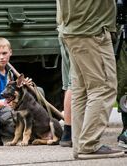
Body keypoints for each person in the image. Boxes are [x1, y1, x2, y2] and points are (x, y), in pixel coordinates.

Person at [59, 0, 125, 159]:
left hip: (73, 29)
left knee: (81, 90)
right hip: (92, 30)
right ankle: (89, 144)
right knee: (103, 87)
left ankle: (81, 145)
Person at [0, 37, 35, 145]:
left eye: (4, 53)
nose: (2, 57)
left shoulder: (9, 72)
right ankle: (9, 133)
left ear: (10, 53)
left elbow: (13, 93)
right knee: (20, 112)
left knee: (38, 92)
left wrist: (23, 87)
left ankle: (37, 130)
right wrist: (5, 103)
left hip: (8, 106)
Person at [56, 0, 72, 147]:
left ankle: (68, 132)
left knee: (69, 85)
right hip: (76, 32)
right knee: (74, 84)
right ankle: (71, 132)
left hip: (64, 29)